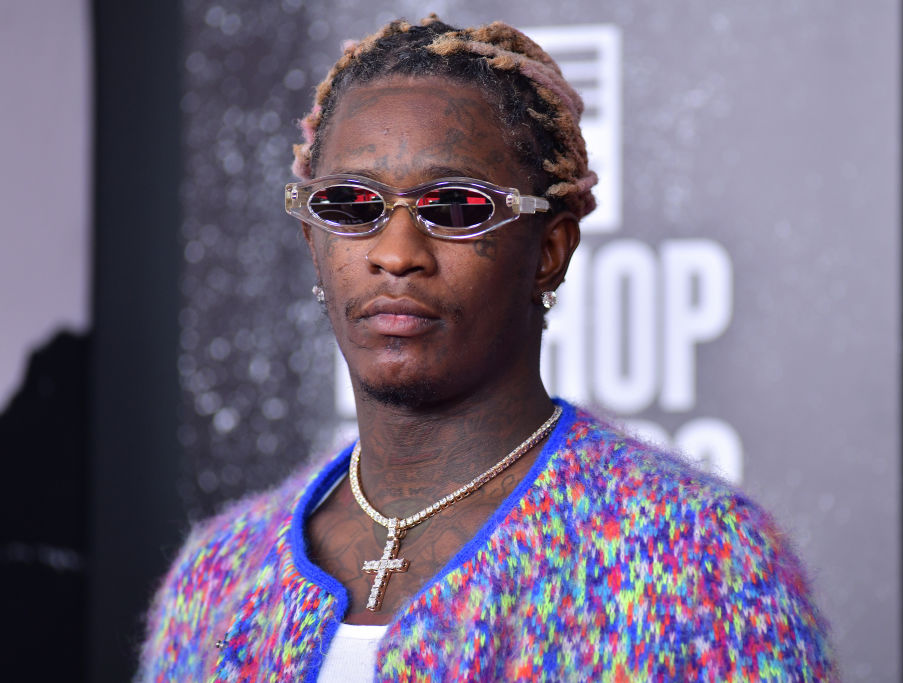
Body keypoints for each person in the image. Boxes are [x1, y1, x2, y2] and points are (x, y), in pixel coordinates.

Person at [137, 15, 836, 682]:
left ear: (549, 252)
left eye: (456, 208)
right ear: (312, 241)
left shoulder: (700, 557)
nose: (395, 253)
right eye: (351, 205)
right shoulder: (218, 576)